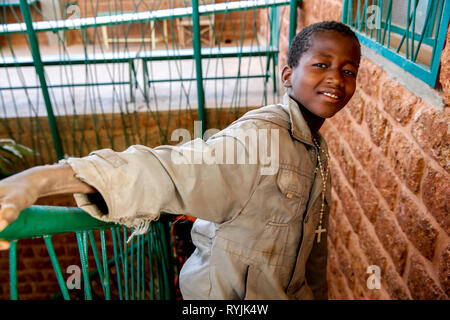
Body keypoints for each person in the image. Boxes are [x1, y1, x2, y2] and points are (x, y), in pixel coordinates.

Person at [0, 21, 361, 299]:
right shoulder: (261, 139)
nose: (336, 79)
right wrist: (36, 182)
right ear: (288, 75)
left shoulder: (316, 148)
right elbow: (167, 170)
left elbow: (314, 248)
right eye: (321, 64)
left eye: (348, 70)